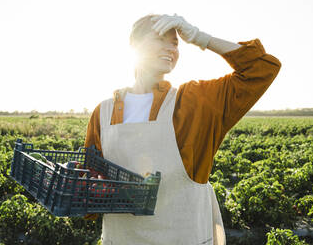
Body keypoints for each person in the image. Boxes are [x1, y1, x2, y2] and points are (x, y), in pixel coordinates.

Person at [84, 14, 281, 245]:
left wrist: (199, 37)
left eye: (175, 43)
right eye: (160, 39)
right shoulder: (103, 112)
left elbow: (261, 68)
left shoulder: (194, 102)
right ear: (134, 45)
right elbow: (90, 189)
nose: (171, 48)